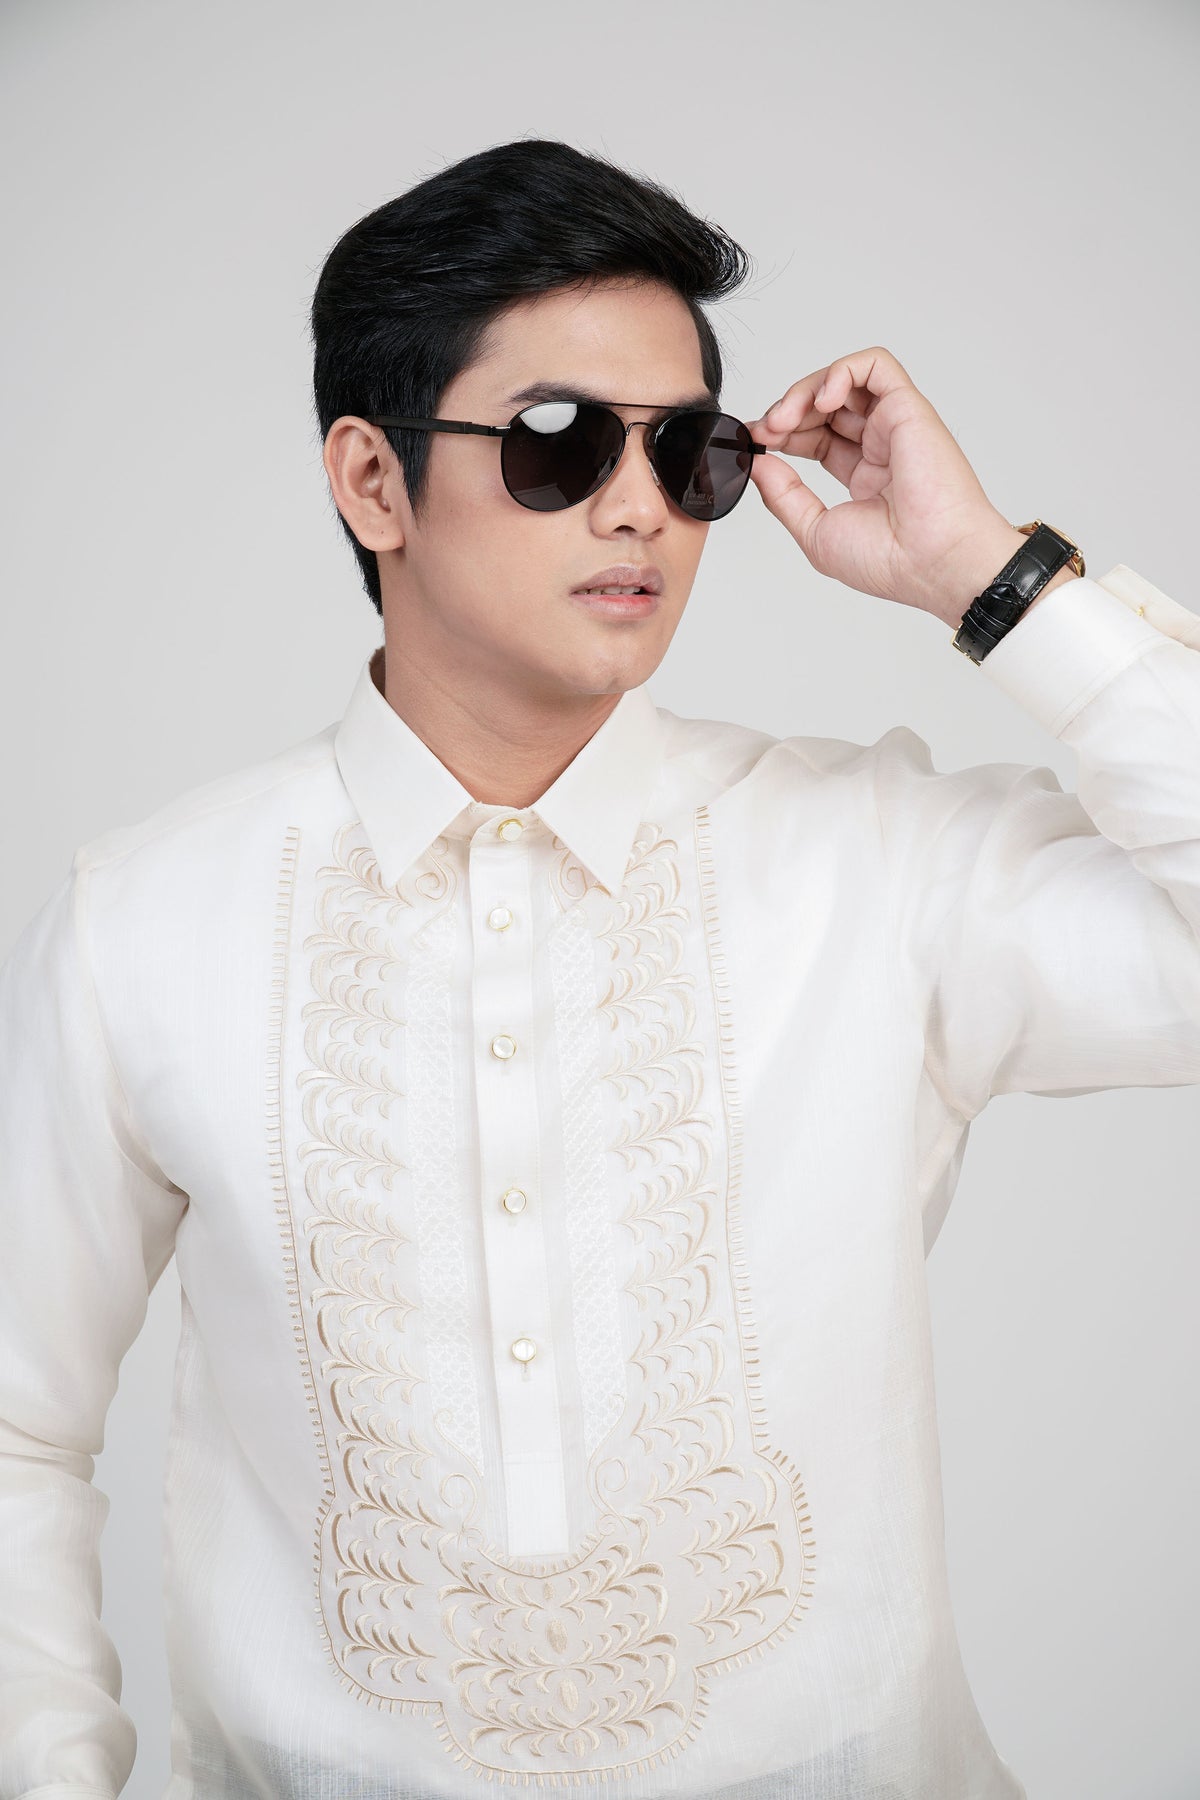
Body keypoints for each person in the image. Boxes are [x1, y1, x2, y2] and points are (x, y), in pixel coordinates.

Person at [1, 136, 1197, 1800]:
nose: (640, 506)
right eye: (559, 441)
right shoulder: (150, 919)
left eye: (690, 452)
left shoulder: (874, 863)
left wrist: (990, 580)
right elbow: (18, 1427)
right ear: (371, 481)